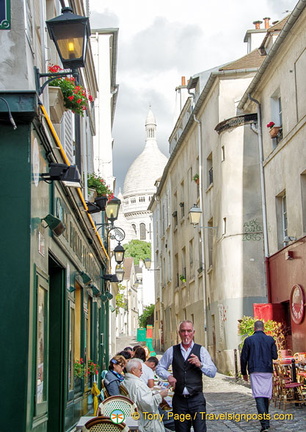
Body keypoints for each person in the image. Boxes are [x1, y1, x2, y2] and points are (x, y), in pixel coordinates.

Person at [156, 320, 217, 432]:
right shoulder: (172, 351)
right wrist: (168, 376)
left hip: (196, 399)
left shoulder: (201, 350)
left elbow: (213, 372)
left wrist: (200, 364)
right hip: (179, 401)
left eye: (189, 331)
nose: (186, 334)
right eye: (183, 331)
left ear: (193, 333)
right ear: (179, 333)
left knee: (200, 430)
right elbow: (159, 368)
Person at [240, 320, 278, 432]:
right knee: (266, 395)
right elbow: (275, 356)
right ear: (264, 328)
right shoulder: (270, 339)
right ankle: (266, 420)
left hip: (255, 370)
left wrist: (243, 372)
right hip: (267, 370)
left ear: (254, 328)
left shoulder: (248, 340)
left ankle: (265, 424)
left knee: (259, 396)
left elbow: (243, 358)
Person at [124, 358, 169, 432]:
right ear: (133, 370)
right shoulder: (137, 384)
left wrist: (150, 390)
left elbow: (139, 396)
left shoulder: (127, 381)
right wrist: (160, 395)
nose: (142, 373)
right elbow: (147, 404)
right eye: (140, 370)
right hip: (144, 420)